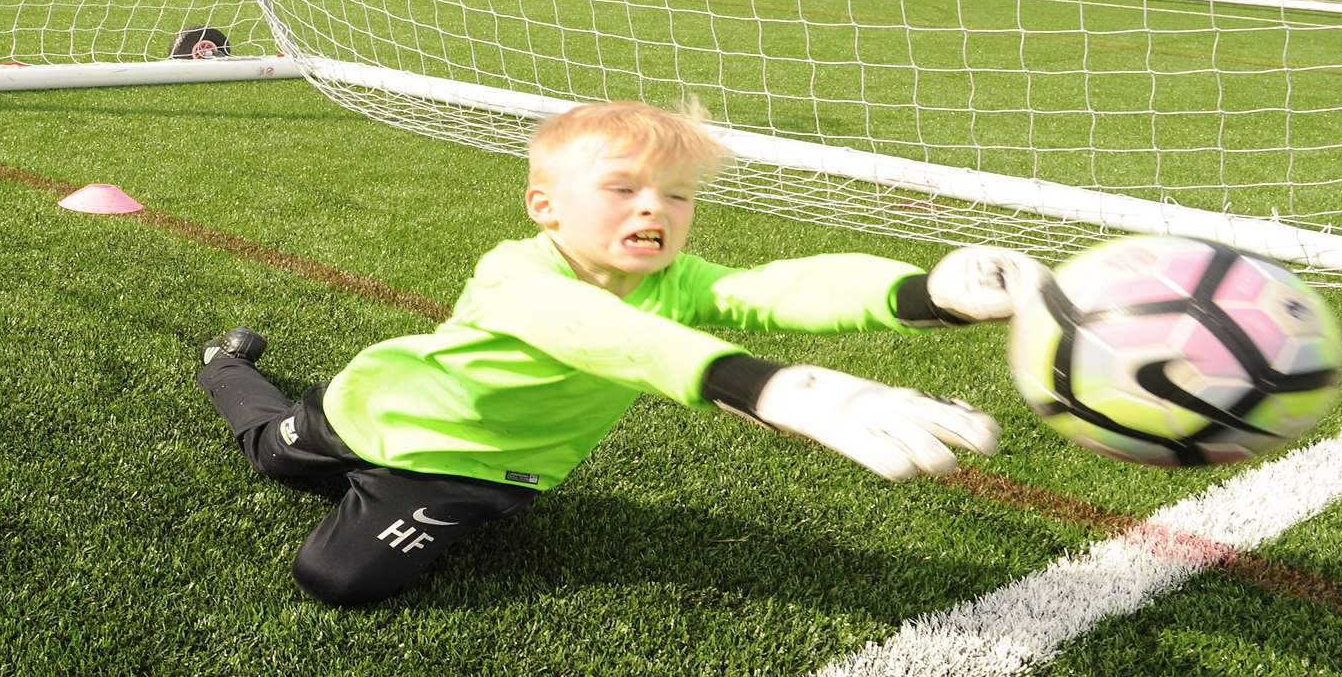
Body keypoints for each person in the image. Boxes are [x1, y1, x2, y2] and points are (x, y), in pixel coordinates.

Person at [196, 100, 1043, 606]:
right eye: (622, 190)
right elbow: (612, 339)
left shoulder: (677, 279)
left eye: (676, 195)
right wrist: (769, 387)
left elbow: (781, 287)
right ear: (545, 206)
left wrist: (922, 293)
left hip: (471, 474)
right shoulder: (514, 275)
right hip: (370, 408)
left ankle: (445, 505)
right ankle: (224, 365)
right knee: (273, 456)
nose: (656, 210)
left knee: (333, 581)